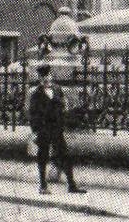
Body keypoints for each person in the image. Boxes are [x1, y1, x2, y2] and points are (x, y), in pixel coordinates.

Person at [28, 65, 86, 197]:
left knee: (65, 155)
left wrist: (64, 121)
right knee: (42, 157)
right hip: (44, 129)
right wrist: (36, 131)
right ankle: (43, 185)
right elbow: (33, 114)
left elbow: (63, 106)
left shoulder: (57, 89)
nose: (46, 79)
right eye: (42, 77)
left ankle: (72, 185)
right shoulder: (36, 94)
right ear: (39, 78)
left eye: (47, 76)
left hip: (57, 129)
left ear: (51, 76)